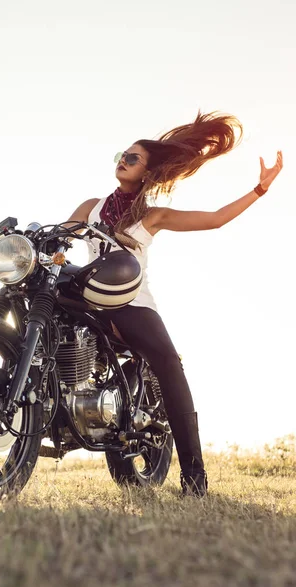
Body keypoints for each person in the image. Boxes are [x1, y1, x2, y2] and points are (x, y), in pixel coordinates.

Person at [66, 112, 283, 497]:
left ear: (147, 173)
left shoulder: (152, 215)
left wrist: (259, 190)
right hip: (91, 298)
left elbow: (215, 220)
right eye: (122, 154)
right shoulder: (91, 206)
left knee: (169, 364)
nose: (123, 160)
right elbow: (60, 238)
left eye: (132, 158)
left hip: (132, 304)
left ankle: (194, 476)